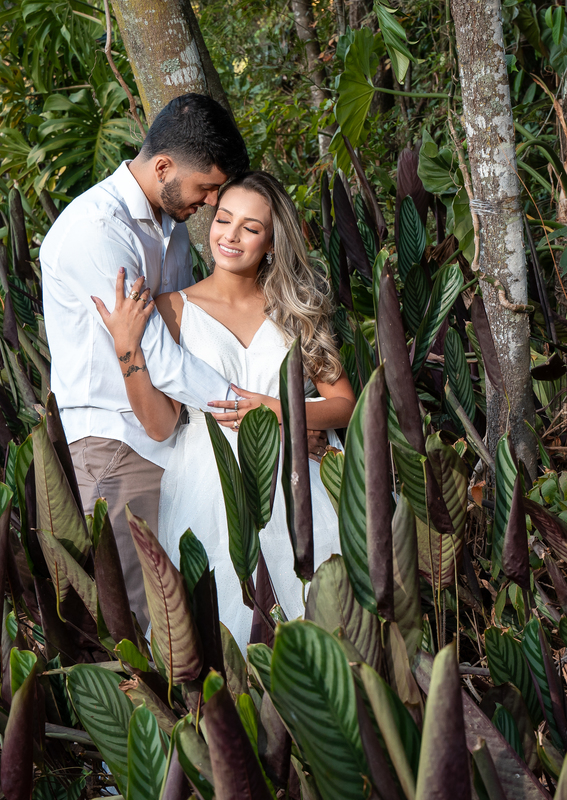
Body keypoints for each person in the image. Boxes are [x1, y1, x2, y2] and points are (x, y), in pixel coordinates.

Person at [93, 171, 356, 647]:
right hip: (209, 480)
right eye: (223, 220)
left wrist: (279, 409)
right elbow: (160, 425)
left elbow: (346, 405)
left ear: (272, 242)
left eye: (250, 228)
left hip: (300, 480)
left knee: (322, 617)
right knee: (227, 628)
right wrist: (127, 348)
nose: (230, 236)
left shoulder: (295, 308)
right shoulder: (173, 308)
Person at [40, 93, 250, 628]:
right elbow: (163, 358)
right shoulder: (97, 231)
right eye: (206, 188)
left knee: (183, 619)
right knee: (136, 621)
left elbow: (190, 334)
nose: (211, 202)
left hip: (173, 439)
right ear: (163, 168)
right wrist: (254, 413)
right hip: (116, 446)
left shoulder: (170, 227)